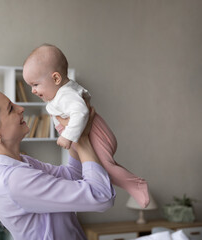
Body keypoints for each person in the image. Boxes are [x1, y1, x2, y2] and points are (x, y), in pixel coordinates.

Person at [0, 83, 115, 240]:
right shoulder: (14, 180)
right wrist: (83, 138)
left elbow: (73, 175)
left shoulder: (21, 164)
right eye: (11, 109)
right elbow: (102, 197)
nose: (21, 108)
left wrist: (72, 130)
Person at [22, 43, 149, 209]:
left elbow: (81, 112)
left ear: (56, 78)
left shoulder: (66, 94)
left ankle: (136, 185)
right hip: (83, 136)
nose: (32, 91)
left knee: (103, 168)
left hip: (94, 134)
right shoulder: (59, 94)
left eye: (35, 84)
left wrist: (67, 136)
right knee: (87, 168)